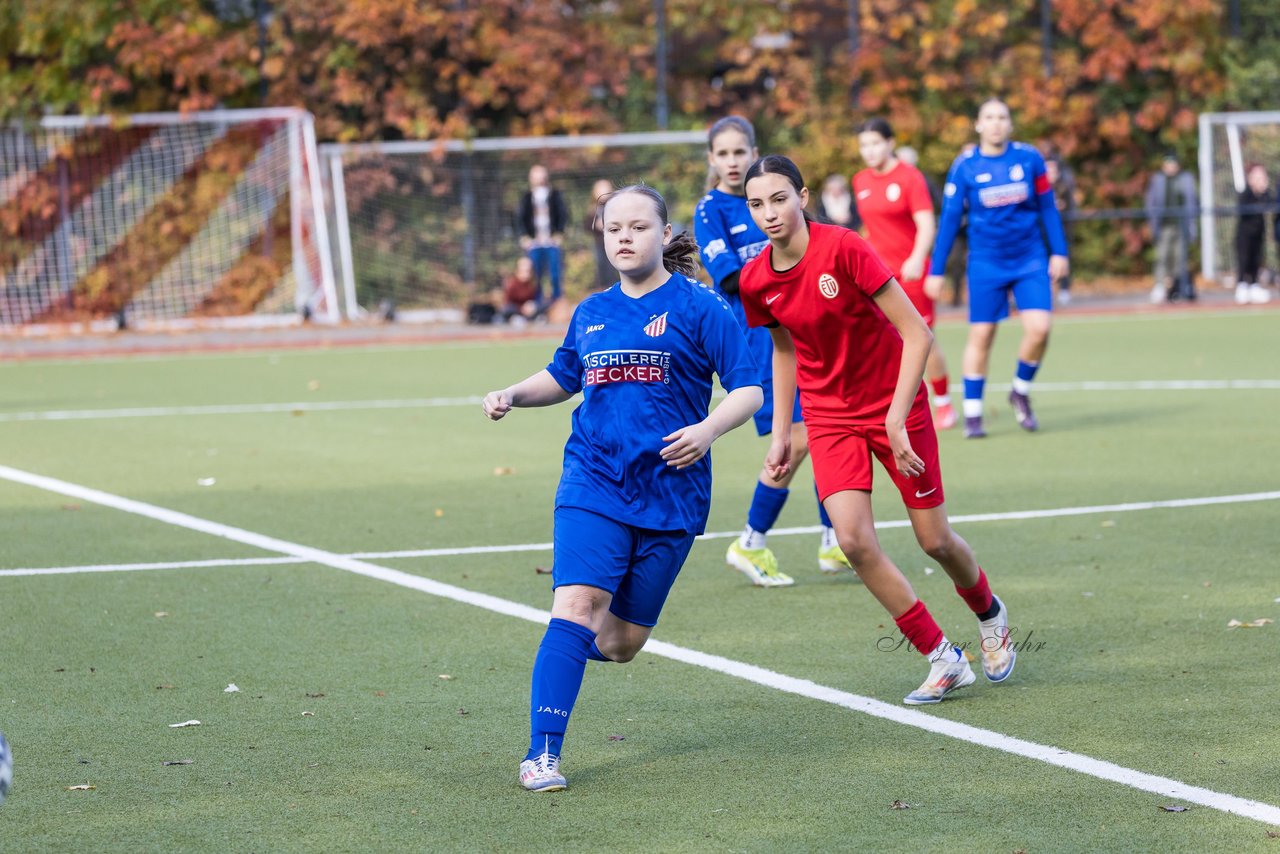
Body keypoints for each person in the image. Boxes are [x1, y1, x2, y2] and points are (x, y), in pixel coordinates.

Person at [484, 184, 763, 792]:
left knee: (619, 643)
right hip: (594, 480)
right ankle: (542, 754)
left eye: (638, 227)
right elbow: (563, 377)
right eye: (614, 229)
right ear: (603, 236)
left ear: (665, 236)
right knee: (576, 607)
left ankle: (561, 658)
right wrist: (512, 393)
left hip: (673, 495)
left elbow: (748, 388)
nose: (625, 238)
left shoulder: (701, 306)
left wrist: (709, 429)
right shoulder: (591, 311)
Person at [738, 154, 1016, 705]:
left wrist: (895, 416)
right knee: (853, 541)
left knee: (934, 540)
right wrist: (779, 434)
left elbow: (918, 334)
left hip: (897, 406)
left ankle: (991, 614)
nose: (768, 213)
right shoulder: (755, 278)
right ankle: (942, 657)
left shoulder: (843, 247)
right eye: (755, 204)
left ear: (803, 196)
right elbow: (784, 351)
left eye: (778, 198)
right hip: (829, 416)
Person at [694, 115, 848, 587]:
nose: (733, 161)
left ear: (753, 151)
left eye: (741, 151)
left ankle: (834, 540)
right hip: (759, 340)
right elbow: (734, 279)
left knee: (825, 430)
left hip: (802, 329)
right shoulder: (710, 211)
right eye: (723, 153)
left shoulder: (772, 194)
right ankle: (751, 541)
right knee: (799, 438)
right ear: (712, 160)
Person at [926, 99, 1069, 439]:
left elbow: (1048, 208)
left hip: (1029, 258)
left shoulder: (1029, 158)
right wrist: (936, 269)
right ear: (978, 124)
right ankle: (973, 414)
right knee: (982, 335)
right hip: (986, 261)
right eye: (989, 118)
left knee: (1040, 329)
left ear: (1010, 123)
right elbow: (948, 220)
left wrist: (1059, 252)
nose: (995, 124)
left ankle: (1019, 391)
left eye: (1002, 117)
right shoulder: (965, 167)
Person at [853, 117, 956, 431]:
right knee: (881, 341)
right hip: (877, 277)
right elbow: (872, 228)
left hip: (911, 274)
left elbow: (926, 224)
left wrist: (916, 258)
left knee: (922, 339)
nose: (869, 151)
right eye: (864, 145)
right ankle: (892, 405)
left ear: (890, 143)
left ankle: (943, 403)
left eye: (875, 143)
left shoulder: (910, 178)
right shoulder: (860, 181)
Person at [1143, 150, 1198, 304]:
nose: (1170, 167)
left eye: (1173, 163)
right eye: (1168, 164)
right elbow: (1151, 202)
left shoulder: (1186, 179)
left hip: (1181, 225)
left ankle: (1177, 288)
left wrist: (1192, 225)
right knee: (1162, 257)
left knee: (1180, 258)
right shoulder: (1158, 179)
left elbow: (1192, 201)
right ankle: (1160, 287)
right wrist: (1152, 222)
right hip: (1164, 226)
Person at [516, 164, 570, 306]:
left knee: (555, 274)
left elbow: (563, 214)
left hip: (551, 242)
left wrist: (559, 234)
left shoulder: (554, 195)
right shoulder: (527, 197)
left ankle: (557, 303)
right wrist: (525, 237)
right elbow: (520, 218)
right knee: (535, 275)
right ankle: (537, 304)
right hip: (534, 242)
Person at [1234, 163, 1274, 305]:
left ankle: (1254, 285)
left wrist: (1263, 191)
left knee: (1256, 260)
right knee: (1244, 260)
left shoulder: (1265, 194)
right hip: (1245, 235)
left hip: (1259, 234)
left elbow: (1271, 203)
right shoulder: (1246, 193)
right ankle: (1242, 286)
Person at [1043, 153, 1078, 305]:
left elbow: (1071, 206)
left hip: (1062, 231)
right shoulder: (1040, 187)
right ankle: (1045, 292)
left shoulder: (1064, 185)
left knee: (1063, 260)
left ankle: (1064, 290)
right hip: (1042, 233)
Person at [585, 178, 617, 291]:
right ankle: (602, 286)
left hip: (613, 242)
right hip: (599, 242)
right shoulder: (593, 209)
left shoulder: (614, 206)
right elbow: (587, 226)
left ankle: (612, 285)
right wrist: (596, 226)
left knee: (611, 265)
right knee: (600, 264)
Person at [498, 256, 543, 324]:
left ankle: (533, 319)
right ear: (517, 270)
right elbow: (507, 303)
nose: (526, 274)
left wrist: (532, 305)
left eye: (528, 271)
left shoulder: (534, 283)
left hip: (530, 310)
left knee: (544, 306)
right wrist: (521, 308)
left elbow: (539, 300)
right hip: (515, 310)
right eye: (523, 271)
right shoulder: (511, 284)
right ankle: (516, 319)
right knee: (506, 310)